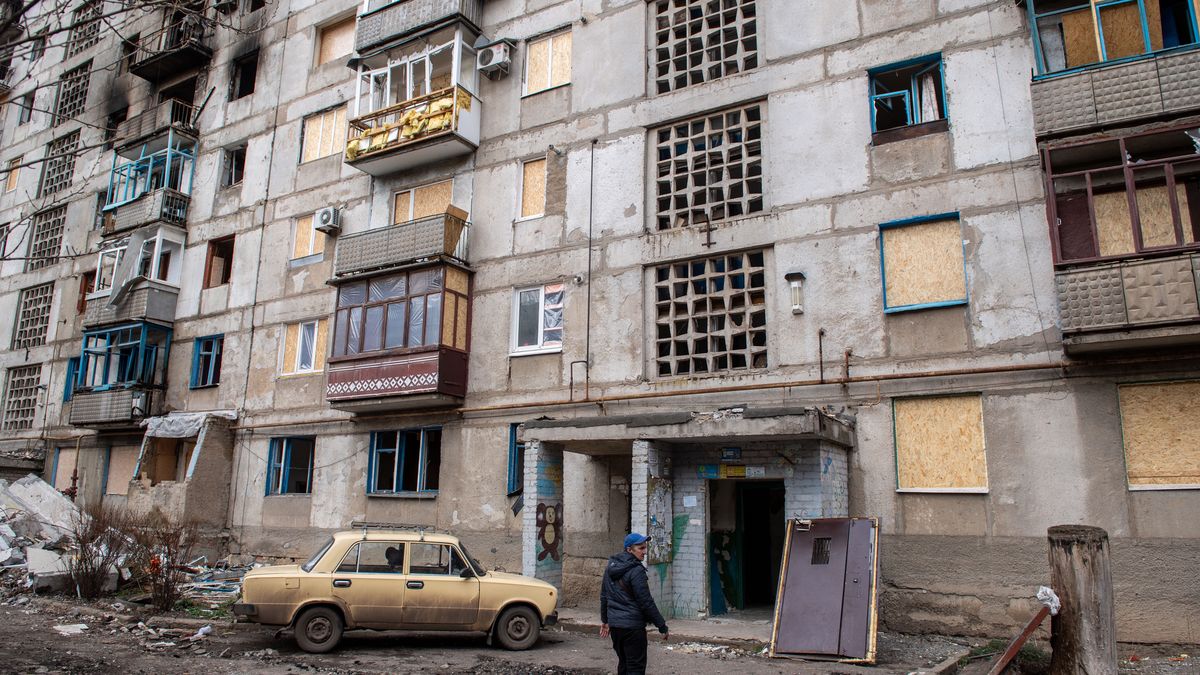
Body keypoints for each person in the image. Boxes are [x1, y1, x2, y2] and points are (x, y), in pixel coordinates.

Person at [599, 532, 669, 675]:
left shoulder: (610, 568)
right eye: (641, 548)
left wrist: (605, 621)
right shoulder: (636, 571)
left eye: (645, 548)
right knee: (635, 667)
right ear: (629, 550)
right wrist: (661, 625)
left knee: (624, 664)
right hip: (632, 627)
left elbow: (604, 596)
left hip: (616, 627)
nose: (644, 552)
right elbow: (646, 602)